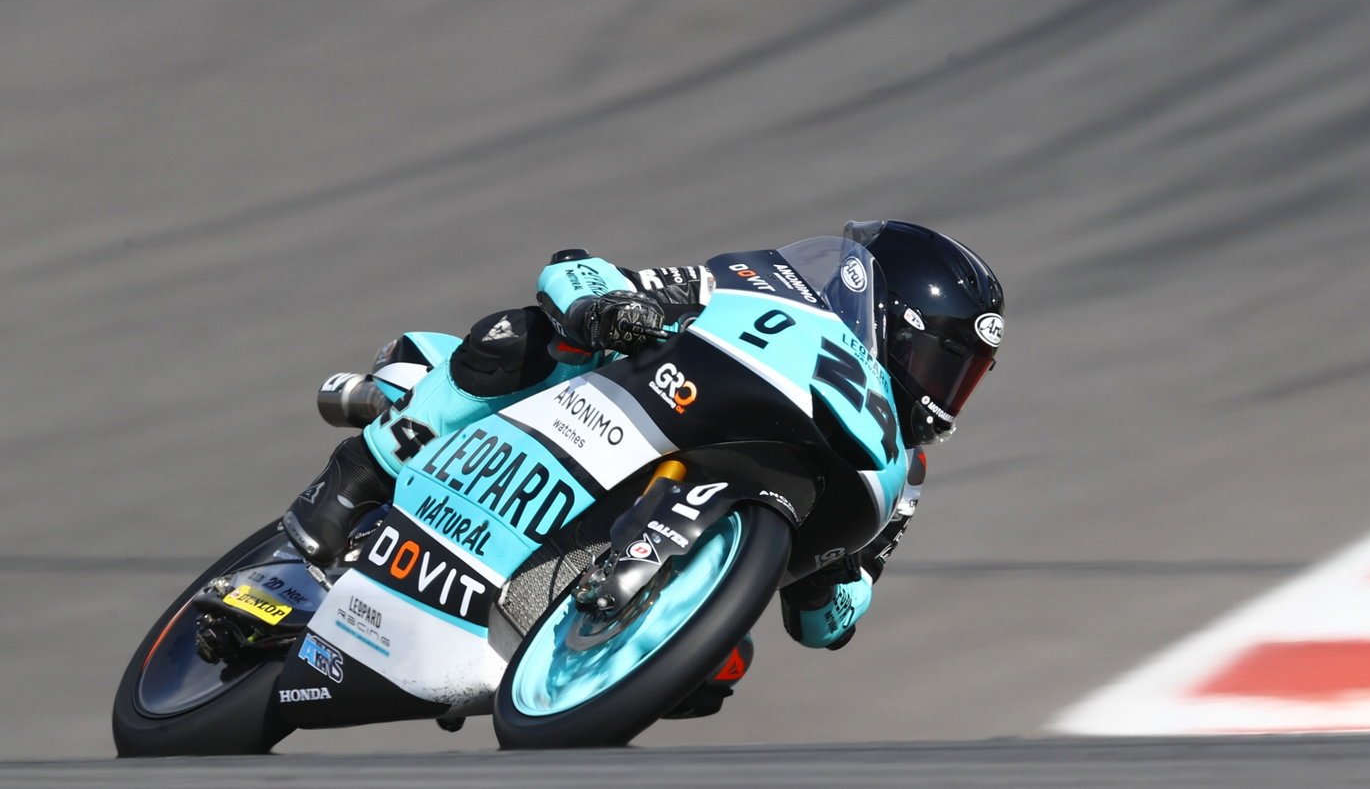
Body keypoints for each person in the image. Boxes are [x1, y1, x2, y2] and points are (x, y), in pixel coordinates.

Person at [282, 219, 1004, 710]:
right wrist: (609, 305)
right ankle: (354, 476)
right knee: (521, 338)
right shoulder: (767, 287)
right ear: (882, 317)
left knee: (720, 667)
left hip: (667, 547)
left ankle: (567, 652)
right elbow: (583, 272)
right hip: (604, 414)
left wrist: (842, 586)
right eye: (939, 361)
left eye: (965, 375)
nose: (945, 392)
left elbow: (821, 625)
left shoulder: (898, 477)